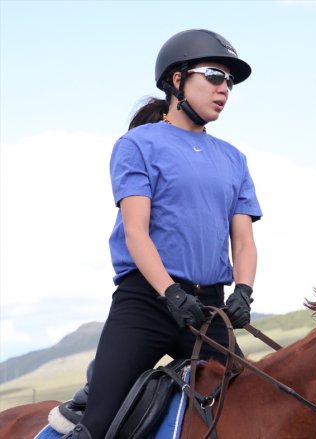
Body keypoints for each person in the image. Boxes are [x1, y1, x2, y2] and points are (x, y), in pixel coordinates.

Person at [67, 29, 262, 439]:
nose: (224, 88)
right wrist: (170, 292)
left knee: (259, 407)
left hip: (208, 310)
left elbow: (243, 240)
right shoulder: (137, 145)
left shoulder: (234, 159)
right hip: (148, 304)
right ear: (177, 80)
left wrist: (243, 291)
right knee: (97, 426)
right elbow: (136, 233)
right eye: (213, 75)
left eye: (229, 81)